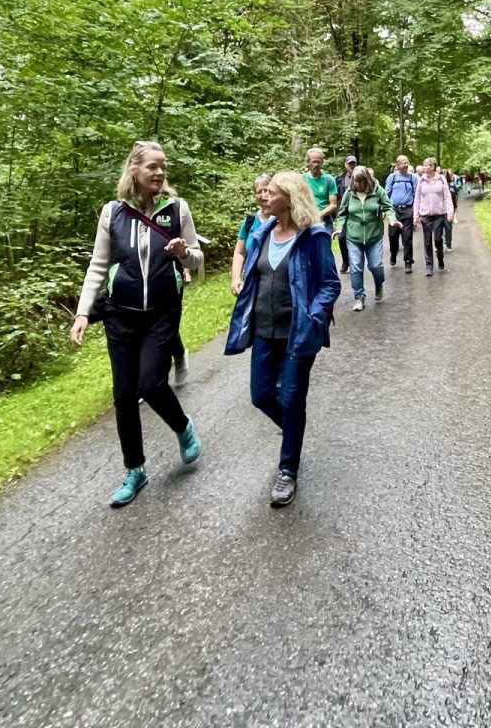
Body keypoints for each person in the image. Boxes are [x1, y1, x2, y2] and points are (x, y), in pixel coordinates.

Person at [70, 140, 204, 507]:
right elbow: (98, 265)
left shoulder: (177, 209)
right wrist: (83, 312)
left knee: (152, 383)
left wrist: (184, 253)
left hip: (162, 312)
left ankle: (182, 426)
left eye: (163, 166)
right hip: (120, 315)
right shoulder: (112, 212)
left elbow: (196, 259)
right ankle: (135, 470)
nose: (160, 172)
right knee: (124, 394)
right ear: (134, 170)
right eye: (152, 166)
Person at [225, 171, 342, 507]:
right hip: (264, 329)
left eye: (272, 192)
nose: (265, 196)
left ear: (289, 199)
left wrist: (314, 316)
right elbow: (252, 276)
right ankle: (294, 429)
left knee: (291, 399)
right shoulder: (262, 233)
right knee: (261, 395)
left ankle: (288, 470)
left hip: (298, 332)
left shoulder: (313, 236)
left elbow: (330, 284)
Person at [336, 164, 396, 311]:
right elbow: (342, 213)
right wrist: (339, 227)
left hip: (374, 234)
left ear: (367, 179)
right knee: (356, 266)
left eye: (360, 181)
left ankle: (379, 282)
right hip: (353, 236)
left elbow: (388, 207)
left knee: (375, 265)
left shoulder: (377, 191)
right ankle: (359, 297)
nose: (358, 184)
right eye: (355, 181)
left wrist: (392, 218)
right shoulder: (349, 193)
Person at [231, 173, 272, 295]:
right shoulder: (250, 221)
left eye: (267, 190)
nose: (263, 195)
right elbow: (240, 252)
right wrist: (236, 278)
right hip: (251, 283)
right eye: (259, 191)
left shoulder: (282, 220)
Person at [413, 158, 454, 276]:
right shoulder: (421, 180)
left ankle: (440, 258)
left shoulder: (441, 179)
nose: (424, 167)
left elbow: (447, 196)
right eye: (423, 165)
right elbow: (417, 198)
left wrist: (450, 212)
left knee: (437, 239)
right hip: (425, 215)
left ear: (432, 167)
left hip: (439, 215)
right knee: (427, 241)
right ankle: (429, 266)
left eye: (426, 165)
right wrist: (416, 215)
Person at [384, 155, 418, 272]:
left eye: (407, 162)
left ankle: (408, 261)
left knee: (407, 237)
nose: (407, 164)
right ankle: (393, 254)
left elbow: (417, 195)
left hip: (408, 210)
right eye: (404, 162)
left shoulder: (413, 178)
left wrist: (415, 210)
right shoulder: (392, 178)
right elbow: (386, 195)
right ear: (398, 165)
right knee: (392, 236)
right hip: (394, 210)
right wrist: (386, 210)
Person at [334, 153, 358, 274]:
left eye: (353, 163)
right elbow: (335, 196)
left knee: (355, 238)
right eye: (349, 164)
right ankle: (345, 261)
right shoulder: (339, 179)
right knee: (342, 237)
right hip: (343, 212)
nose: (351, 166)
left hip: (357, 213)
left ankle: (355, 262)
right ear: (345, 165)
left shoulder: (360, 177)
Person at [303, 147, 338, 227]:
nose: (316, 165)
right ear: (308, 162)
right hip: (306, 218)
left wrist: (320, 214)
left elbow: (333, 205)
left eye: (318, 162)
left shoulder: (329, 179)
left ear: (322, 163)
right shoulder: (302, 179)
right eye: (314, 162)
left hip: (325, 219)